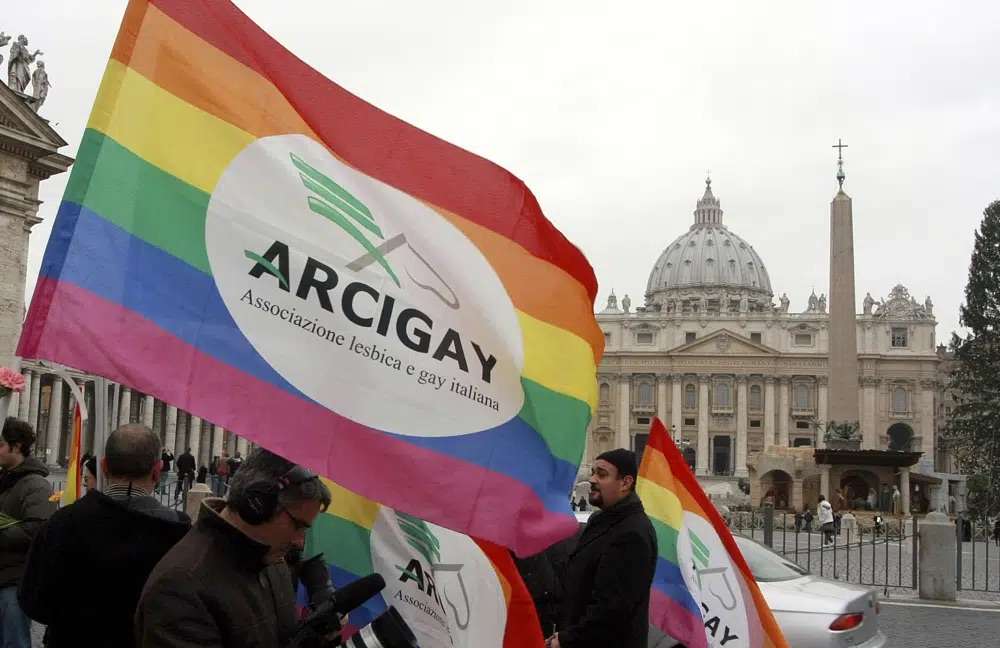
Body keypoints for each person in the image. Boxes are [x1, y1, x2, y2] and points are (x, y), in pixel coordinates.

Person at [135, 448, 331, 647]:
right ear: (257, 505)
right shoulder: (180, 588)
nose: (299, 541)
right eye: (298, 525)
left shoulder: (271, 557)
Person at [18, 424, 190, 648]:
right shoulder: (178, 532)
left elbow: (33, 601)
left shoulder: (62, 522)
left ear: (104, 467)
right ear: (157, 471)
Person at [549, 449, 657, 648]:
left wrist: (565, 640)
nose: (592, 479)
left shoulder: (631, 534)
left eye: (602, 474)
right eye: (592, 472)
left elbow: (611, 611)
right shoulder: (599, 520)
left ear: (625, 483)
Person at [0, 418, 52, 648]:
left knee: (14, 641)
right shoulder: (4, 480)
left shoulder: (36, 486)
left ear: (17, 446)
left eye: (0, 444)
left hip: (14, 580)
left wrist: (2, 528)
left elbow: (38, 530)